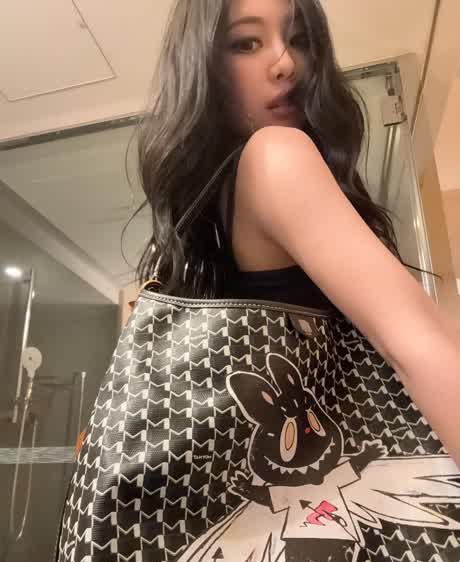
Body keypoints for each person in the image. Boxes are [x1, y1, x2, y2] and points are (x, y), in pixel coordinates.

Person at [136, 0, 460, 466]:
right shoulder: (276, 155)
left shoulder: (218, 210)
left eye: (300, 39)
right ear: (203, 65)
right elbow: (416, 344)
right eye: (246, 43)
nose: (286, 63)